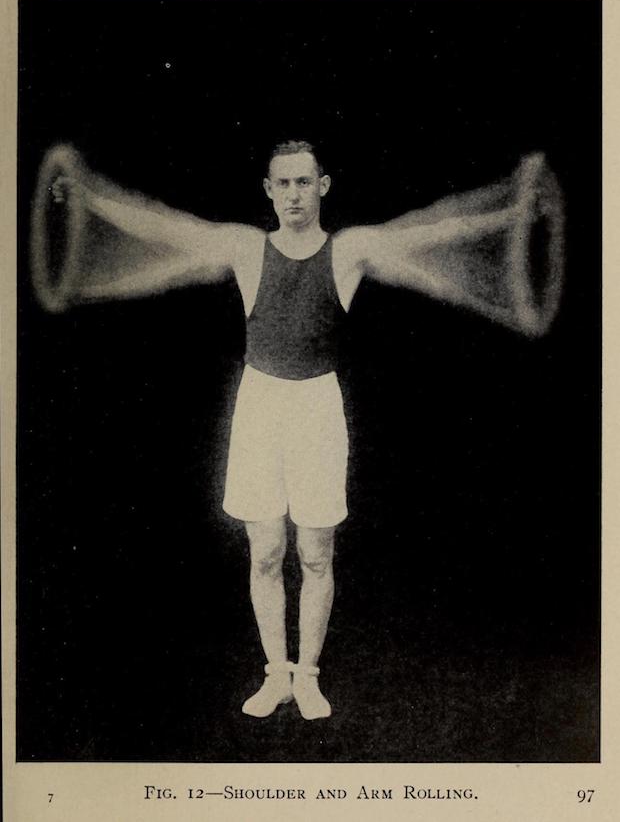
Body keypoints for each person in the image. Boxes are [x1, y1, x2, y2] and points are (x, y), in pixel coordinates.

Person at [52, 140, 517, 719]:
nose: (293, 195)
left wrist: (511, 212)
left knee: (316, 553)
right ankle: (276, 674)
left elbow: (426, 234)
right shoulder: (247, 248)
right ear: (268, 191)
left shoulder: (349, 251)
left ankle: (309, 676)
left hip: (317, 409)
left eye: (304, 182)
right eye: (283, 184)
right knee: (267, 549)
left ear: (323, 185)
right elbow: (166, 230)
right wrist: (88, 197)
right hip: (261, 407)